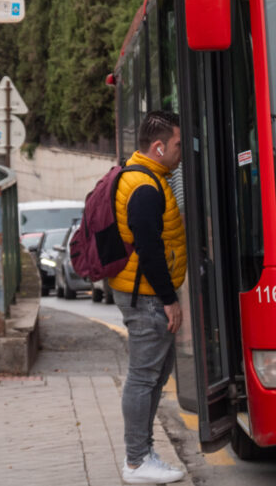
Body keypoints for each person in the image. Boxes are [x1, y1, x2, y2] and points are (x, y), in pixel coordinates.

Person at [109, 110, 186, 484]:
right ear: (158, 147)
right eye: (176, 144)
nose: (180, 151)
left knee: (156, 373)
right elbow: (150, 248)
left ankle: (143, 454)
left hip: (142, 293)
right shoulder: (144, 186)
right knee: (143, 378)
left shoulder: (147, 177)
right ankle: (137, 461)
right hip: (147, 297)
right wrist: (169, 298)